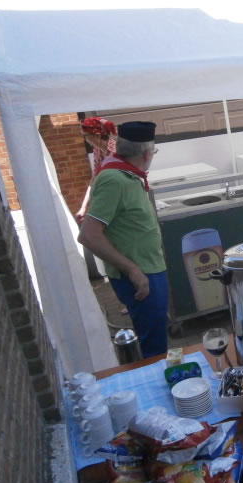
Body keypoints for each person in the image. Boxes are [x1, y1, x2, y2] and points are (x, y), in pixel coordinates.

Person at [78, 121, 168, 358]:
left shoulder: (127, 175)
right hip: (141, 275)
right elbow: (89, 235)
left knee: (157, 338)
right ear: (147, 153)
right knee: (154, 349)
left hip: (149, 268)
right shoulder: (114, 180)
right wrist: (133, 270)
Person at [75, 117, 118, 224]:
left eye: (86, 136)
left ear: (97, 135)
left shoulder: (116, 151)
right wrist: (83, 207)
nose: (85, 140)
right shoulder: (97, 151)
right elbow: (94, 178)